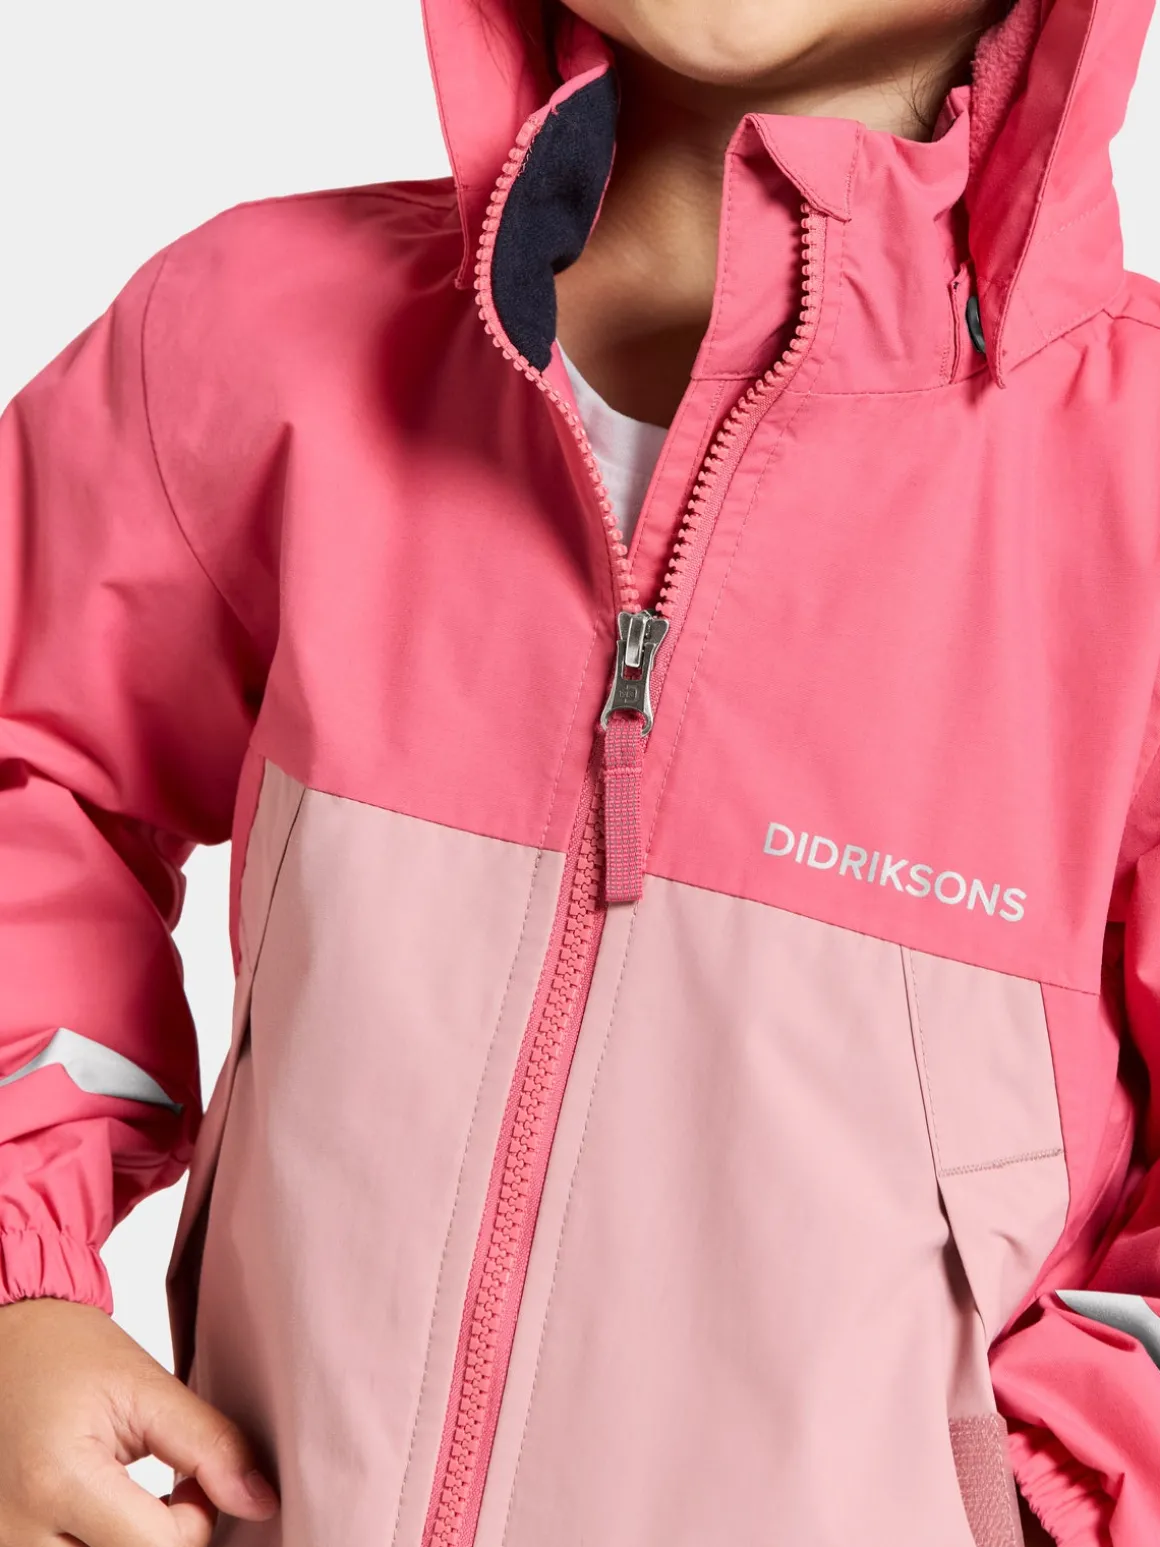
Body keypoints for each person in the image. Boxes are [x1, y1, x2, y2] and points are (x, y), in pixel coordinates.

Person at [0, 0, 1158, 1541]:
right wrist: (18, 1295)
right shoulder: (262, 332)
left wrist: (1056, 1501)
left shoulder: (1130, 485)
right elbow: (33, 762)